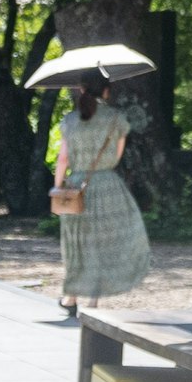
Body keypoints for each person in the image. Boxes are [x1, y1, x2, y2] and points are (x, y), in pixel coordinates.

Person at [52, 69, 149, 318]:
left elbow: (62, 158)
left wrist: (59, 185)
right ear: (106, 91)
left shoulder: (70, 121)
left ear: (81, 89)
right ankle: (94, 301)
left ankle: (71, 297)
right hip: (107, 185)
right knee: (104, 241)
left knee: (76, 243)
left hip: (76, 187)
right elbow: (116, 156)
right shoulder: (117, 119)